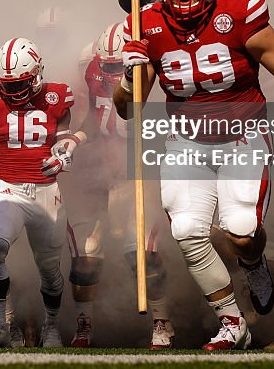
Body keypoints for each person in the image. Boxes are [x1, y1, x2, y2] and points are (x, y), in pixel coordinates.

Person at [112, 0, 274, 351]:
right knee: (187, 231)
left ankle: (254, 263)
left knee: (242, 233)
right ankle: (232, 322)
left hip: (242, 139)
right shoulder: (145, 25)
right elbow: (126, 110)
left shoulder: (237, 12)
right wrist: (128, 75)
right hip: (185, 142)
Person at [0, 38, 78, 348]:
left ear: (37, 73)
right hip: (9, 189)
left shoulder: (57, 97)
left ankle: (51, 326)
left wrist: (63, 156)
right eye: (7, 85)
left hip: (47, 192)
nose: (12, 92)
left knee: (50, 269)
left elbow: (64, 144)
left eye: (20, 83)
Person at [67, 22, 175, 349]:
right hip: (102, 172)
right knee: (85, 256)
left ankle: (161, 321)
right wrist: (77, 138)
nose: (112, 72)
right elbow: (95, 119)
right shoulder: (93, 72)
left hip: (140, 172)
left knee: (140, 252)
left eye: (120, 66)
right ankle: (83, 323)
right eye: (108, 65)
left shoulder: (158, 70)